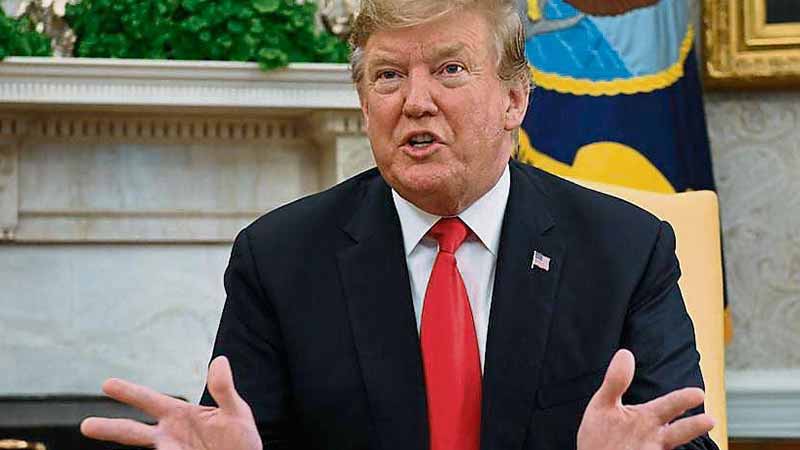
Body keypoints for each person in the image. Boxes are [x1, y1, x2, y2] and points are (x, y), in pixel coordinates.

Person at [80, 0, 718, 449]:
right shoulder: (278, 259)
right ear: (364, 107)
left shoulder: (625, 251)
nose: (415, 101)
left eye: (449, 70)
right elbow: (239, 435)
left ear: (514, 99)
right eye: (388, 76)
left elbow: (685, 439)